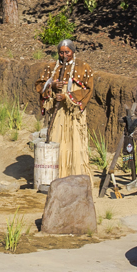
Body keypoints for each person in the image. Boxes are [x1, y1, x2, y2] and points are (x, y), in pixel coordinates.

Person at [36, 39, 94, 173]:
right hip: (58, 114)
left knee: (75, 143)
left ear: (73, 51)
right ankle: (58, 174)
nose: (64, 55)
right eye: (61, 53)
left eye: (67, 52)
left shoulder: (83, 67)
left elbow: (88, 90)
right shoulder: (51, 68)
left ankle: (76, 175)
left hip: (74, 114)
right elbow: (40, 86)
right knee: (57, 140)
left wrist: (68, 97)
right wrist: (52, 86)